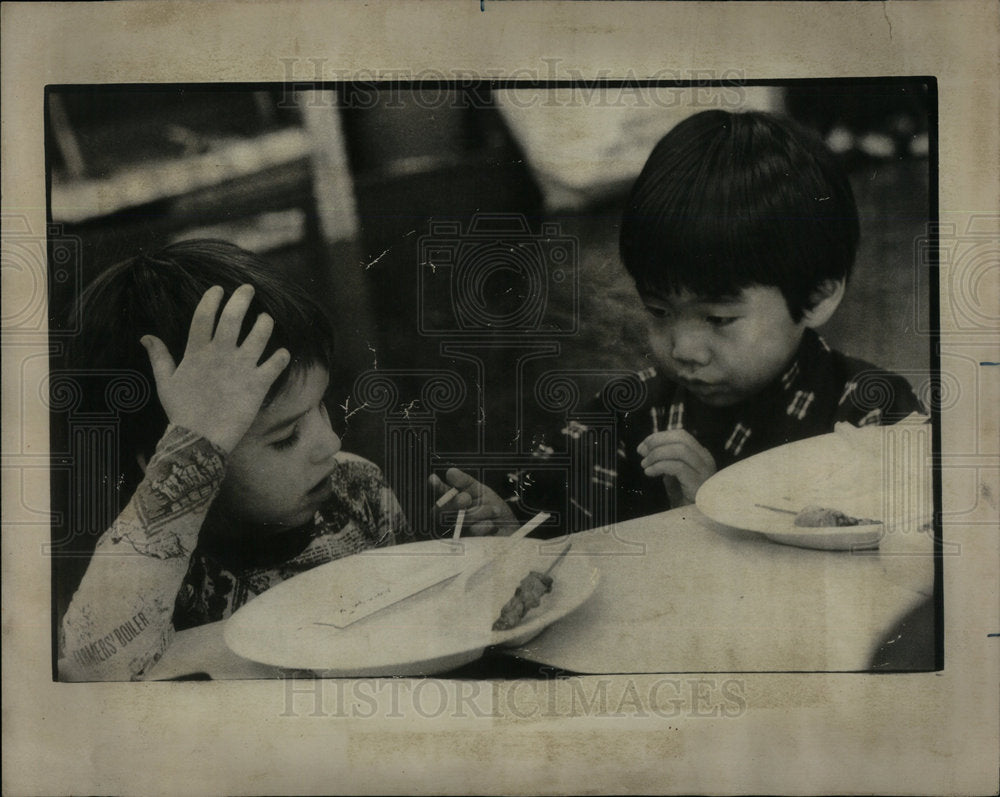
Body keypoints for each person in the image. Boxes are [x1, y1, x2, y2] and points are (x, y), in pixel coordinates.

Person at [431, 109, 925, 530]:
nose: (683, 348)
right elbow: (542, 526)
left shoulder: (873, 414)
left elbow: (900, 571)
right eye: (659, 311)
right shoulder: (622, 414)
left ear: (817, 297)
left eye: (718, 317)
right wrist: (505, 523)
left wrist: (719, 511)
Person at [57, 240, 421, 681]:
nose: (329, 442)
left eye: (321, 406)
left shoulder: (357, 488)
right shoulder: (149, 570)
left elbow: (420, 627)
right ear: (168, 465)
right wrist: (196, 439)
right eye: (285, 436)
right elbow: (93, 670)